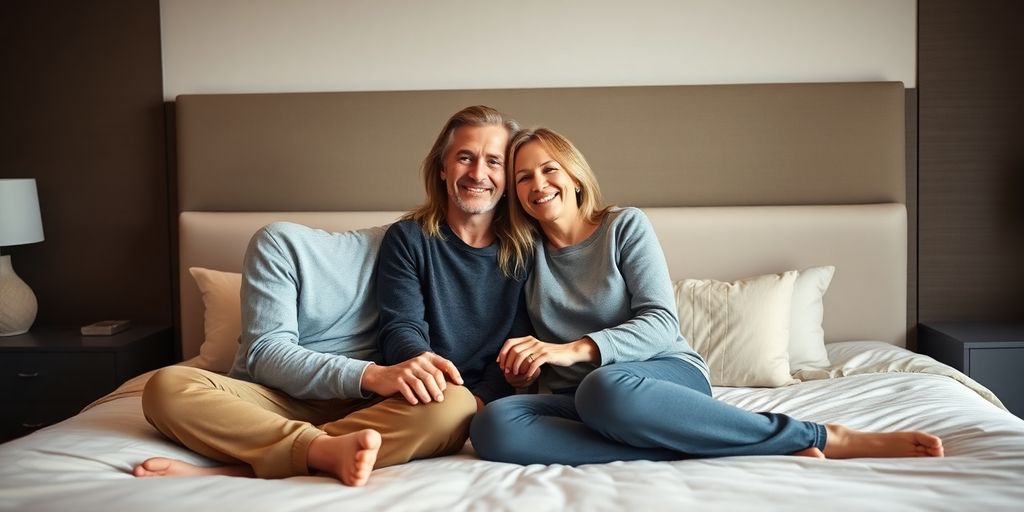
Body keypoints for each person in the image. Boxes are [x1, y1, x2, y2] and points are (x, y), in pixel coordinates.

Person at [469, 127, 945, 465]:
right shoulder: (522, 254)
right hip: (583, 399)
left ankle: (819, 435)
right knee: (495, 427)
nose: (538, 185)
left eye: (548, 169)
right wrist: (521, 369)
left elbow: (661, 322)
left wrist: (573, 349)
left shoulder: (622, 226)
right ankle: (689, 444)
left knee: (603, 387)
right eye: (523, 178)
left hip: (656, 380)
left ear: (574, 176)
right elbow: (523, 341)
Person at [133, 105, 527, 487]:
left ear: (508, 177)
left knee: (454, 406)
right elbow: (400, 326)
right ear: (442, 168)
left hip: (372, 407)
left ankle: (252, 464)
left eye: (493, 161)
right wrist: (395, 369)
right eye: (464, 157)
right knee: (165, 386)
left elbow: (513, 343)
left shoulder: (526, 254)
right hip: (283, 398)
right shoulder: (404, 239)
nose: (478, 172)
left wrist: (476, 398)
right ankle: (319, 451)